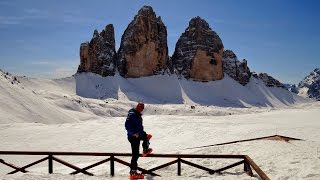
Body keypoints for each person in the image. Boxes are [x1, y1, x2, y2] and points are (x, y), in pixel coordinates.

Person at [125, 102, 152, 177]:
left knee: (146, 137)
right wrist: (133, 133)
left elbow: (138, 126)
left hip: (138, 134)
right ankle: (133, 173)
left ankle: (145, 150)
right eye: (140, 107)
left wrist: (143, 133)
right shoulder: (132, 114)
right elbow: (127, 125)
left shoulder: (137, 114)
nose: (141, 108)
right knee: (135, 154)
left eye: (142, 107)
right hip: (134, 137)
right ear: (137, 106)